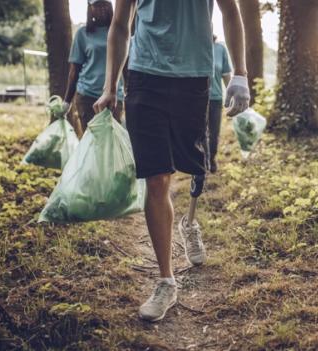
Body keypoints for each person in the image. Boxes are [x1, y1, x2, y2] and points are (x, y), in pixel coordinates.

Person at [93, 0, 249, 322]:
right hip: (144, 77)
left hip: (193, 78)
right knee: (157, 177)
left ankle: (189, 223)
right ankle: (166, 280)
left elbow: (231, 13)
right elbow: (120, 25)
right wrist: (110, 87)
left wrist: (241, 73)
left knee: (195, 168)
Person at [63, 0, 124, 138]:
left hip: (113, 97)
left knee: (114, 141)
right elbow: (74, 71)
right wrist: (67, 102)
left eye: (104, 4)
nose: (101, 8)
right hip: (88, 97)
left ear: (110, 6)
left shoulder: (119, 32)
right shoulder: (82, 34)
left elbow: (126, 66)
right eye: (97, 5)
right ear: (90, 8)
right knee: (93, 142)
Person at [206, 35, 233, 173]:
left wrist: (232, 96)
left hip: (216, 98)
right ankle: (200, 161)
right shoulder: (193, 46)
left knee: (214, 132)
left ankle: (211, 159)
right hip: (197, 98)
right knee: (198, 132)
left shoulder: (220, 49)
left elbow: (226, 74)